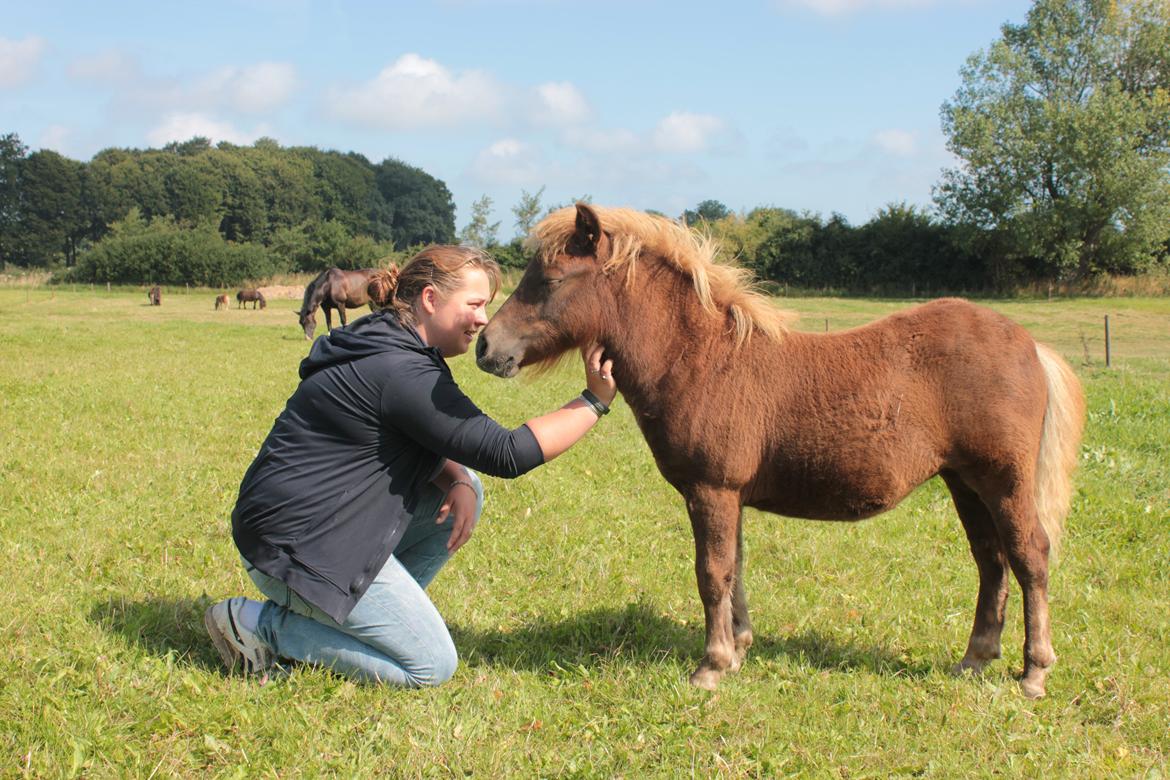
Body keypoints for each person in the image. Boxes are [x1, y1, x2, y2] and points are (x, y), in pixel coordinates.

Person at [204, 245, 615, 687]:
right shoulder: (401, 370)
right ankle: (260, 625)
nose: (482, 321)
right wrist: (595, 400)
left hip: (305, 525)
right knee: (429, 666)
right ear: (431, 300)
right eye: (475, 305)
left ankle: (354, 620)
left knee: (465, 487)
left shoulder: (388, 337)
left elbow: (404, 432)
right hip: (292, 548)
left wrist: (455, 476)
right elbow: (507, 453)